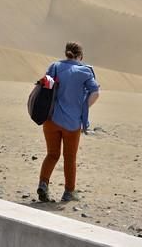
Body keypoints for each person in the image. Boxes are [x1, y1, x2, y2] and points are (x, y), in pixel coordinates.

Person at [37, 42, 100, 203]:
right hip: (71, 123)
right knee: (69, 157)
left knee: (52, 154)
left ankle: (43, 184)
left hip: (50, 120)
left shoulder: (54, 66)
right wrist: (83, 108)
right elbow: (95, 93)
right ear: (81, 56)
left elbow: (46, 86)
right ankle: (68, 192)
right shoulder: (85, 71)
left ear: (66, 54)